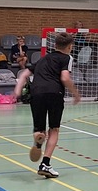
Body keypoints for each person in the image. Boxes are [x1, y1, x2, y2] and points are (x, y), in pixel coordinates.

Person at [14, 32, 80, 178]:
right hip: (54, 93)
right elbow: (65, 78)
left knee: (39, 129)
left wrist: (17, 91)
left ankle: (38, 139)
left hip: (36, 93)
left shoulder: (43, 59)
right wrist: (76, 94)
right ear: (70, 47)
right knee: (54, 129)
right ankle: (45, 164)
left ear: (54, 45)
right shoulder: (67, 58)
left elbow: (24, 74)